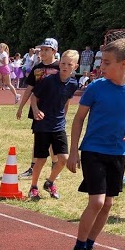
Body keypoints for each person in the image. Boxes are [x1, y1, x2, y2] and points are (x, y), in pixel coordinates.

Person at [66, 39, 125, 250]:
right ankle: (78, 248)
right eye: (101, 61)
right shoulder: (96, 87)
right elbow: (78, 119)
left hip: (118, 152)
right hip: (93, 150)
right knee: (97, 201)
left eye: (106, 62)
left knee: (108, 204)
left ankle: (89, 247)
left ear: (124, 64)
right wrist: (73, 152)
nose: (101, 66)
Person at [26, 50, 80, 201]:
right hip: (43, 125)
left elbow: (66, 101)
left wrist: (64, 117)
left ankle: (49, 182)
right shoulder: (48, 81)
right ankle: (33, 187)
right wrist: (36, 111)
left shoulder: (73, 84)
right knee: (41, 159)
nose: (65, 66)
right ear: (59, 63)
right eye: (63, 63)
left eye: (69, 64)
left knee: (63, 158)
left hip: (58, 125)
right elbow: (34, 97)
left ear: (75, 67)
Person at [17, 38, 61, 178]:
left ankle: (55, 165)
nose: (43, 52)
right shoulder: (37, 68)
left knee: (53, 139)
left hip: (53, 110)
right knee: (38, 138)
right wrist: (21, 107)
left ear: (54, 51)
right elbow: (29, 88)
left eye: (46, 50)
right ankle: (33, 167)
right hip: (38, 108)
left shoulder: (60, 67)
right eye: (41, 49)